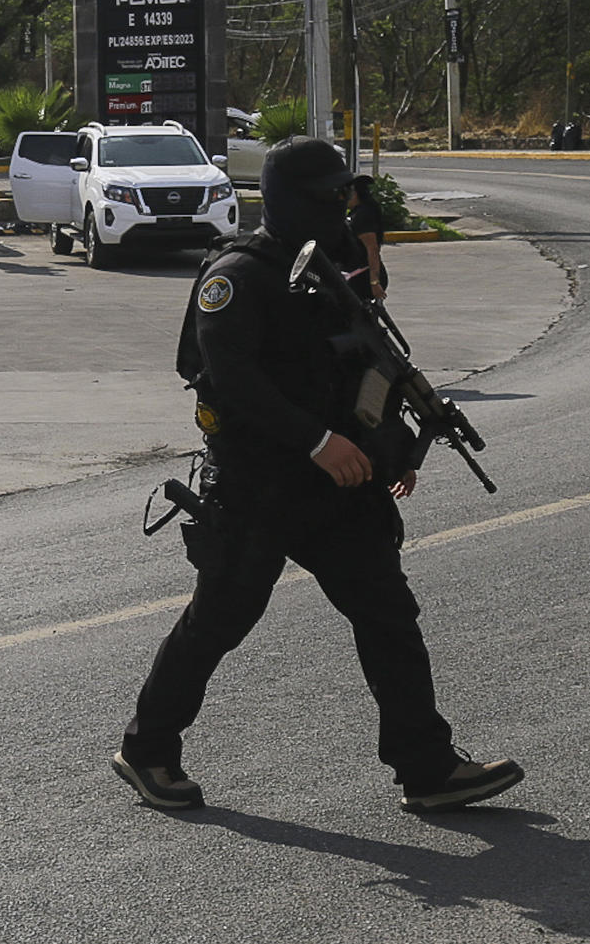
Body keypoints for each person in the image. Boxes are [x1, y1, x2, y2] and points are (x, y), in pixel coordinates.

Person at [113, 136, 523, 816]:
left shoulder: (332, 269)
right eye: (326, 198)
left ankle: (425, 766)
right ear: (284, 199)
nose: (339, 208)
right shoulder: (238, 275)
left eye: (344, 196)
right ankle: (148, 748)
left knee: (386, 610)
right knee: (221, 619)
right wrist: (317, 440)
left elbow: (365, 365)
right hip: (257, 482)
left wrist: (390, 447)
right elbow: (231, 377)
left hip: (336, 481)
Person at [344, 173, 389, 301]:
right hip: (354, 273)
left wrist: (374, 282)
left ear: (355, 193)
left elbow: (372, 249)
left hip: (363, 277)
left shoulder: (363, 216)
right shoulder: (356, 212)